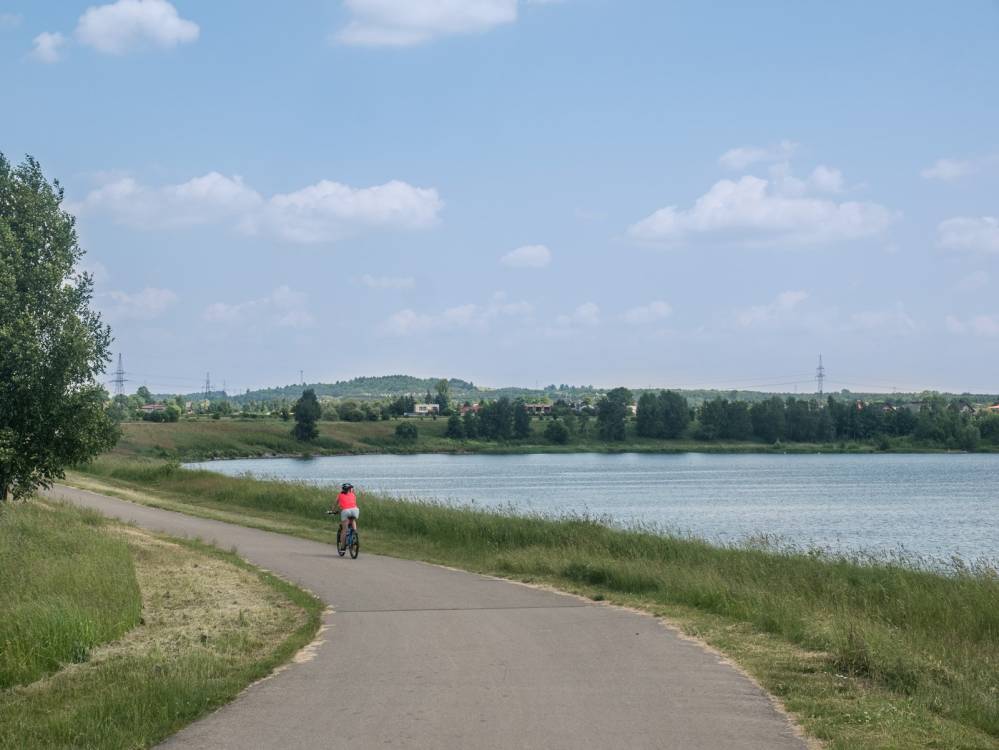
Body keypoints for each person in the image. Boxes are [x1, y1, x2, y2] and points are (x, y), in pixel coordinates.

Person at [334, 482, 359, 549]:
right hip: (355, 510)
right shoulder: (353, 494)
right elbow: (351, 503)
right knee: (353, 520)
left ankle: (342, 547)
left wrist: (333, 510)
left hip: (346, 511)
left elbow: (336, 504)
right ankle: (355, 532)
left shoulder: (340, 495)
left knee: (344, 529)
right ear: (350, 489)